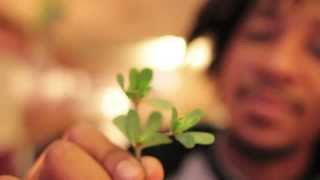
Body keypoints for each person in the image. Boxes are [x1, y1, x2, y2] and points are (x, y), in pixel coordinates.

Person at [2, 0, 320, 179]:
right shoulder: (145, 167)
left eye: (318, 48)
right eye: (261, 34)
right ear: (220, 60)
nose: (279, 65)